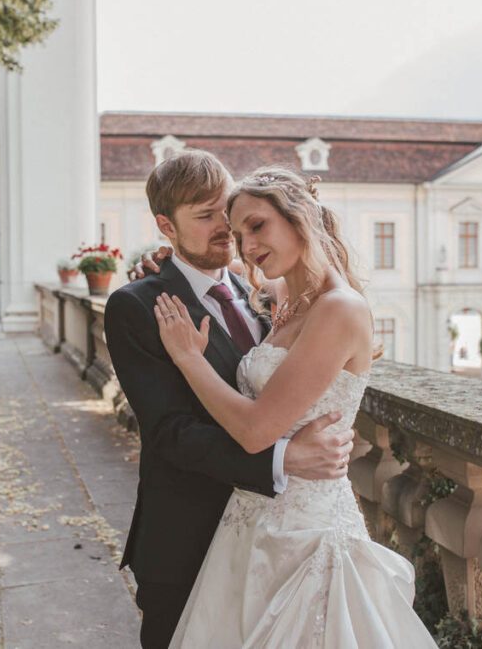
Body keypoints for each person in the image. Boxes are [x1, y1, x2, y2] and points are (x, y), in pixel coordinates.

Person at [154, 166, 438, 647]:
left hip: (309, 533)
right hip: (249, 525)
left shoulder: (339, 309)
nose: (246, 246)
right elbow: (218, 275)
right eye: (238, 233)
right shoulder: (283, 298)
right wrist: (160, 261)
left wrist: (189, 360)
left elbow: (255, 431)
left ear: (300, 217)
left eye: (257, 226)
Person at [103, 150, 356, 649]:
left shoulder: (259, 292)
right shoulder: (136, 305)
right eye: (205, 217)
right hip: (185, 539)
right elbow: (170, 433)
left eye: (227, 213)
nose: (227, 230)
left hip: (272, 542)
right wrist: (284, 457)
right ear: (165, 226)